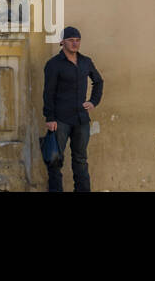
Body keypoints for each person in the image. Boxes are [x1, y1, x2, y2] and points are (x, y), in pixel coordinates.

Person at [42, 25, 103, 191]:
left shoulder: (85, 62)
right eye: (71, 40)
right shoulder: (54, 64)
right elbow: (48, 92)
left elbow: (98, 81)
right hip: (60, 119)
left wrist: (93, 101)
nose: (75, 44)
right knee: (55, 160)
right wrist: (50, 118)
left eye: (77, 40)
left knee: (80, 160)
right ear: (62, 42)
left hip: (81, 119)